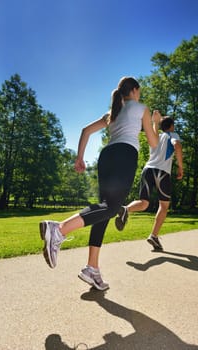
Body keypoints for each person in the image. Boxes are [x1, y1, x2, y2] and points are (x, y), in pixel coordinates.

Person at [39, 76, 161, 290]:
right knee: (112, 208)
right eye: (139, 91)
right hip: (125, 155)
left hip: (107, 157)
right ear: (134, 90)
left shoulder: (111, 113)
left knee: (105, 211)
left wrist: (79, 158)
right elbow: (154, 143)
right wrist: (155, 123)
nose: (140, 95)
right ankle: (59, 229)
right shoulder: (141, 107)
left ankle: (91, 268)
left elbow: (86, 130)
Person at [115, 116, 183, 250]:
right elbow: (177, 146)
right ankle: (154, 235)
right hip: (162, 172)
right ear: (171, 126)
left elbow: (154, 129)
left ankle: (125, 209)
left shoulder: (155, 137)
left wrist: (155, 121)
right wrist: (181, 167)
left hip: (147, 170)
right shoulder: (172, 134)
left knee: (144, 202)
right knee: (163, 206)